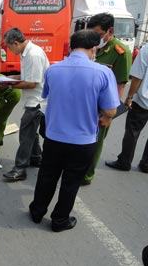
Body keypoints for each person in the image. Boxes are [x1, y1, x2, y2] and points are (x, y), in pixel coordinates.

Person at [29, 30, 119, 232]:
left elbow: (47, 95)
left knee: (47, 177)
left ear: (71, 46)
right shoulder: (103, 72)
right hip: (83, 141)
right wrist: (104, 116)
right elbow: (111, 110)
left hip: (54, 137)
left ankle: (36, 211)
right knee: (71, 183)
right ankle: (60, 221)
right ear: (94, 48)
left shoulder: (53, 70)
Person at [82, 13, 132, 185]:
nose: (95, 37)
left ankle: (86, 175)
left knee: (95, 141)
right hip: (86, 102)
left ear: (109, 31)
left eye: (97, 33)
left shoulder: (120, 52)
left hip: (102, 107)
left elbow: (119, 86)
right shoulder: (93, 47)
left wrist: (109, 115)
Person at [0, 28, 50, 181]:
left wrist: (9, 85)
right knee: (33, 132)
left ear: (15, 43)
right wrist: (9, 77)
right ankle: (36, 157)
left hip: (37, 101)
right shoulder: (26, 53)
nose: (10, 51)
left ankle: (20, 168)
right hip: (35, 100)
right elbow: (27, 75)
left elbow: (32, 83)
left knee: (25, 134)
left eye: (10, 47)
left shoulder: (33, 54)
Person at [106, 44, 148, 172]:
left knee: (132, 131)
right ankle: (146, 164)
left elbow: (137, 76)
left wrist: (129, 96)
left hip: (143, 100)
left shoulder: (146, 49)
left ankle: (124, 161)